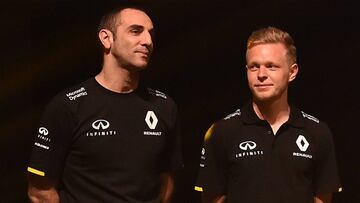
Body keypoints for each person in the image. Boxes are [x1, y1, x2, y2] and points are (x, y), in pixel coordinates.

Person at [27, 4, 182, 203]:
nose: (148, 41)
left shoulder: (165, 106)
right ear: (106, 38)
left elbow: (167, 180)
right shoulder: (67, 106)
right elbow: (39, 192)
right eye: (136, 31)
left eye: (151, 34)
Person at [195, 26, 341, 203]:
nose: (261, 74)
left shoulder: (317, 132)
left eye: (271, 66)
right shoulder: (222, 131)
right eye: (254, 67)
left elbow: (323, 199)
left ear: (292, 72)